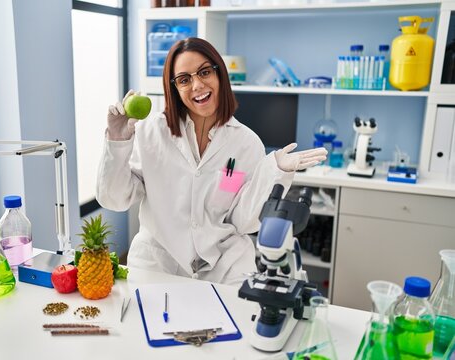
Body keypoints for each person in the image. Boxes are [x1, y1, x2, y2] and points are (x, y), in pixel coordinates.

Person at [96, 37, 327, 286]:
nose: (197, 85)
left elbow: (243, 221)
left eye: (205, 72)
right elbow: (114, 198)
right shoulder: (151, 132)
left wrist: (275, 171)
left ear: (220, 74)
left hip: (226, 267)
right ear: (174, 87)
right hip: (158, 261)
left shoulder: (246, 143)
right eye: (184, 79)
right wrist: (118, 141)